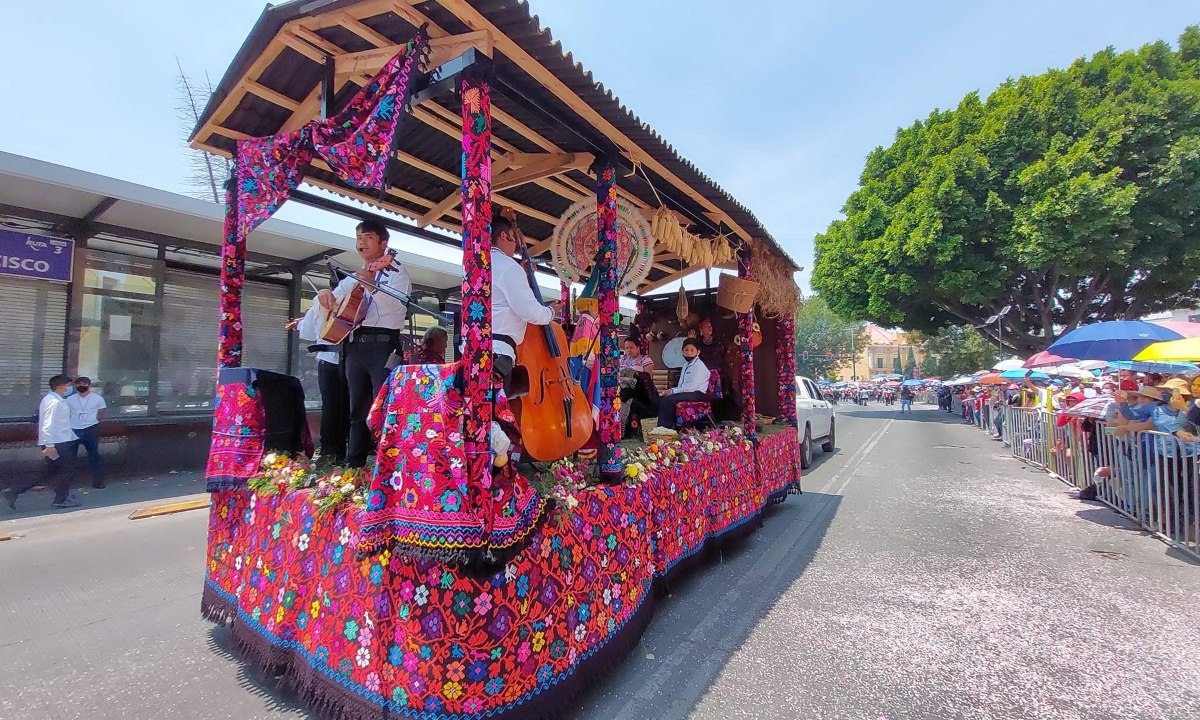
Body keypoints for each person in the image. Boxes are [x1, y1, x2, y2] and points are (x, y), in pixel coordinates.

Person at [315, 219, 411, 468]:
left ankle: (389, 466)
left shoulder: (396, 272)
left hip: (383, 345)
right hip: (355, 346)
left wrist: (372, 284)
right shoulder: (354, 275)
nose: (361, 242)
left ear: (384, 243)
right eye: (358, 237)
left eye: (368, 237)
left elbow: (397, 306)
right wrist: (324, 295)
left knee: (386, 407)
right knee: (356, 409)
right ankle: (353, 464)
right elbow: (333, 300)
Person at [489, 213, 560, 392]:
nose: (515, 247)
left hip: (473, 352)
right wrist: (550, 311)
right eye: (514, 241)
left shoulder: (476, 264)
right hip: (498, 354)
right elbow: (530, 311)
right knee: (493, 414)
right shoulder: (508, 266)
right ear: (504, 236)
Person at [4, 375, 79, 510]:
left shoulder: (57, 400)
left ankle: (15, 491)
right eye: (68, 385)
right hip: (57, 443)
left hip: (59, 441)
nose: (70, 388)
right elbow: (47, 424)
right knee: (67, 470)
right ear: (60, 386)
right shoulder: (53, 402)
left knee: (51, 471)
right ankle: (60, 499)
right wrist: (49, 445)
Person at [289, 301, 350, 465]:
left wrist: (303, 322)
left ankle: (330, 451)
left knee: (331, 406)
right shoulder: (356, 297)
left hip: (331, 359)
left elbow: (307, 332)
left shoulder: (319, 301)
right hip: (346, 359)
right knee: (345, 406)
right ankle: (340, 451)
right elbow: (308, 331)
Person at [656, 339, 711, 431]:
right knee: (660, 399)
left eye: (692, 350)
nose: (689, 353)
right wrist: (673, 391)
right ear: (682, 352)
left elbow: (692, 387)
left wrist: (673, 391)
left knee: (668, 401)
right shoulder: (685, 365)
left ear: (698, 352)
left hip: (696, 394)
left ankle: (665, 430)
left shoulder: (699, 366)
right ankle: (666, 428)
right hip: (687, 392)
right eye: (686, 350)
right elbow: (681, 385)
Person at [65, 376, 106, 488]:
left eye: (84, 383)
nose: (81, 386)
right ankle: (66, 483)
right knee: (69, 457)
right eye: (78, 384)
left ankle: (98, 481)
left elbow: (101, 413)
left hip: (90, 428)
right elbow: (66, 413)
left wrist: (94, 421)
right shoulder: (70, 399)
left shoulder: (98, 399)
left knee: (94, 456)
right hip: (73, 429)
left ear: (89, 385)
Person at [619, 336, 658, 437]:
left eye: (631, 348)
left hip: (641, 390)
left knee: (625, 393)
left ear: (638, 348)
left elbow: (646, 377)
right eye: (626, 348)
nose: (628, 350)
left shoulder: (645, 359)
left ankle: (621, 429)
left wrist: (633, 373)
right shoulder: (622, 359)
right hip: (625, 388)